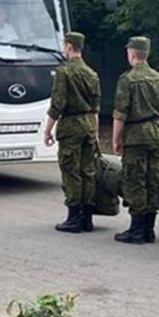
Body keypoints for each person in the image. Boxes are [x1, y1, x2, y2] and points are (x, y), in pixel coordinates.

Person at [112, 36, 159, 245]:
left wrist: (116, 139)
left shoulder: (127, 80)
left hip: (135, 135)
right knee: (152, 180)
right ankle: (149, 229)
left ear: (133, 54)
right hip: (154, 133)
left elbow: (120, 114)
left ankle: (136, 230)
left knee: (135, 181)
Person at [45, 31, 101, 234]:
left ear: (69, 47)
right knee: (88, 171)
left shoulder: (64, 72)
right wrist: (94, 132)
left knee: (71, 171)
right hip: (88, 125)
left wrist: (47, 130)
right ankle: (87, 217)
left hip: (71, 126)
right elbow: (96, 107)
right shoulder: (92, 74)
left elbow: (57, 104)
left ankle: (74, 217)